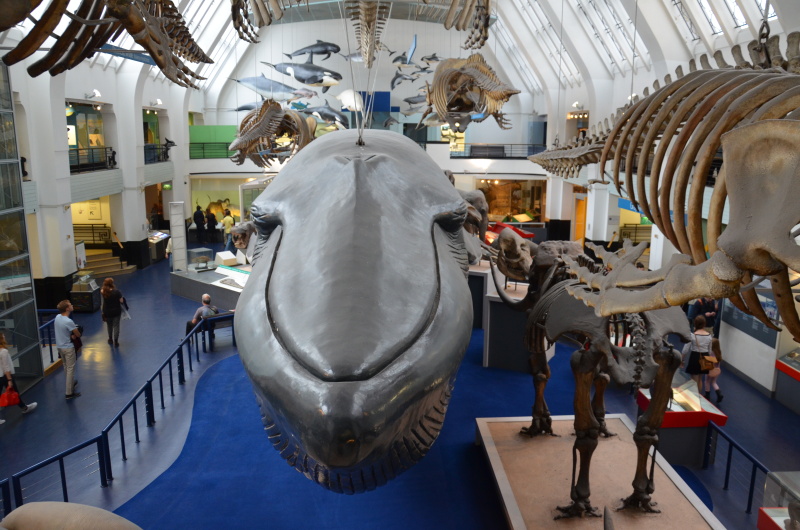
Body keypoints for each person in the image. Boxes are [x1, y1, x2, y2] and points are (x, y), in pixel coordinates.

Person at [0, 332, 38, 423]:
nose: (4, 336)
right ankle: (24, 408)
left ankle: (24, 407)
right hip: (5, 376)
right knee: (15, 392)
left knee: (15, 392)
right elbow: (6, 367)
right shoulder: (4, 351)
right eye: (3, 335)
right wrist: (9, 379)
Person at [55, 300, 81, 399]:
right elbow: (78, 334)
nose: (72, 305)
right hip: (68, 348)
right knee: (71, 369)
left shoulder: (57, 317)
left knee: (66, 367)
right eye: (70, 305)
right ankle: (69, 392)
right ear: (67, 309)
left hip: (60, 347)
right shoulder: (69, 321)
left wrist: (70, 336)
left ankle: (70, 383)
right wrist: (75, 334)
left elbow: (63, 331)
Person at [682, 314, 713, 396]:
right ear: (704, 324)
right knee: (700, 379)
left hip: (695, 356)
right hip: (705, 356)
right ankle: (698, 396)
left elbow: (685, 349)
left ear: (695, 323)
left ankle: (693, 397)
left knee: (694, 380)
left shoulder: (693, 335)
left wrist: (682, 359)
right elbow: (710, 350)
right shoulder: (709, 336)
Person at [101, 277, 125, 347]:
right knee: (116, 326)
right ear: (112, 284)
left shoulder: (103, 291)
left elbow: (103, 290)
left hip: (107, 311)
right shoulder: (117, 292)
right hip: (116, 311)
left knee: (109, 325)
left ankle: (110, 339)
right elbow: (121, 301)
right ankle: (116, 341)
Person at [705, 338, 724, 404]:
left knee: (707, 381)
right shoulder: (718, 352)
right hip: (717, 370)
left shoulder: (711, 353)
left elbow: (709, 363)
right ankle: (719, 394)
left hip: (710, 370)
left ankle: (707, 395)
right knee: (714, 382)